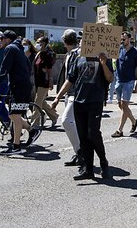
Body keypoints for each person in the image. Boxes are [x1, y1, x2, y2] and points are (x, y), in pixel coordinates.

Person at [67, 48, 114, 180]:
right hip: (79, 101)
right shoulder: (78, 58)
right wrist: (57, 97)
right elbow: (71, 79)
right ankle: (88, 169)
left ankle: (104, 162)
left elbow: (110, 78)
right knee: (83, 136)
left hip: (95, 100)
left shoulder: (104, 57)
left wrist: (104, 64)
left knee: (93, 133)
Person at [0, 30, 37, 155]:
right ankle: (31, 130)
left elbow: (4, 67)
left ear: (7, 39)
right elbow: (29, 67)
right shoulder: (20, 49)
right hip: (24, 86)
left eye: (1, 39)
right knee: (14, 115)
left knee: (15, 116)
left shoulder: (10, 48)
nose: (0, 41)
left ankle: (16, 146)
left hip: (18, 87)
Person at [51, 29, 82, 167]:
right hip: (70, 93)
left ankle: (80, 152)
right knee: (75, 124)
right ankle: (79, 153)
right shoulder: (70, 54)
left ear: (64, 41)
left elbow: (70, 78)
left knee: (67, 121)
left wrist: (57, 97)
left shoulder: (76, 54)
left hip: (75, 93)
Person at [111, 32, 137, 138]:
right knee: (120, 105)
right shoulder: (119, 49)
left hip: (129, 82)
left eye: (124, 39)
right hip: (119, 80)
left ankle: (119, 130)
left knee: (124, 105)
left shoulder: (136, 52)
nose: (122, 41)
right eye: (121, 39)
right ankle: (134, 121)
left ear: (129, 39)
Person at [31, 36, 58, 128]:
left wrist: (50, 81)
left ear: (45, 43)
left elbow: (49, 69)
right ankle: (54, 116)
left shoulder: (47, 54)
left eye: (40, 42)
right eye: (37, 42)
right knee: (42, 102)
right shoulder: (38, 53)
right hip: (37, 81)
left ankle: (35, 122)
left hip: (44, 81)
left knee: (37, 102)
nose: (38, 44)